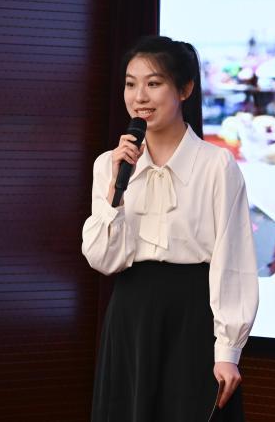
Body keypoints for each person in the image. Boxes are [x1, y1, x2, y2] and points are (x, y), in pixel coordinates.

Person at [82, 36, 259, 420]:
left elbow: (233, 260)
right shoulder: (109, 164)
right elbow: (102, 259)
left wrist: (228, 351)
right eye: (131, 84)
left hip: (192, 316)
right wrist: (116, 191)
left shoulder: (216, 165)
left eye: (154, 83)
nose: (139, 96)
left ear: (185, 89)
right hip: (130, 315)